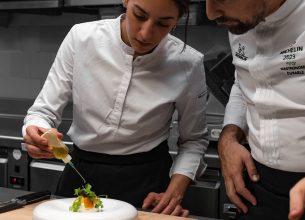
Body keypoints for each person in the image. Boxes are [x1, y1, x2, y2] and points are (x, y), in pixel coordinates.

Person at [22, 0, 208, 217]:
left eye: (163, 23)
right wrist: (38, 132)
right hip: (80, 172)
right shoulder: (81, 38)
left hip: (147, 182)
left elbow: (194, 140)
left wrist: (173, 193)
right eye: (139, 15)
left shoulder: (188, 63)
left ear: (177, 20)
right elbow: (42, 112)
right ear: (126, 1)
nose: (146, 33)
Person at [205, 0, 305, 219]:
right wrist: (229, 137)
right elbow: (243, 82)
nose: (210, 13)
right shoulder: (242, 18)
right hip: (259, 187)